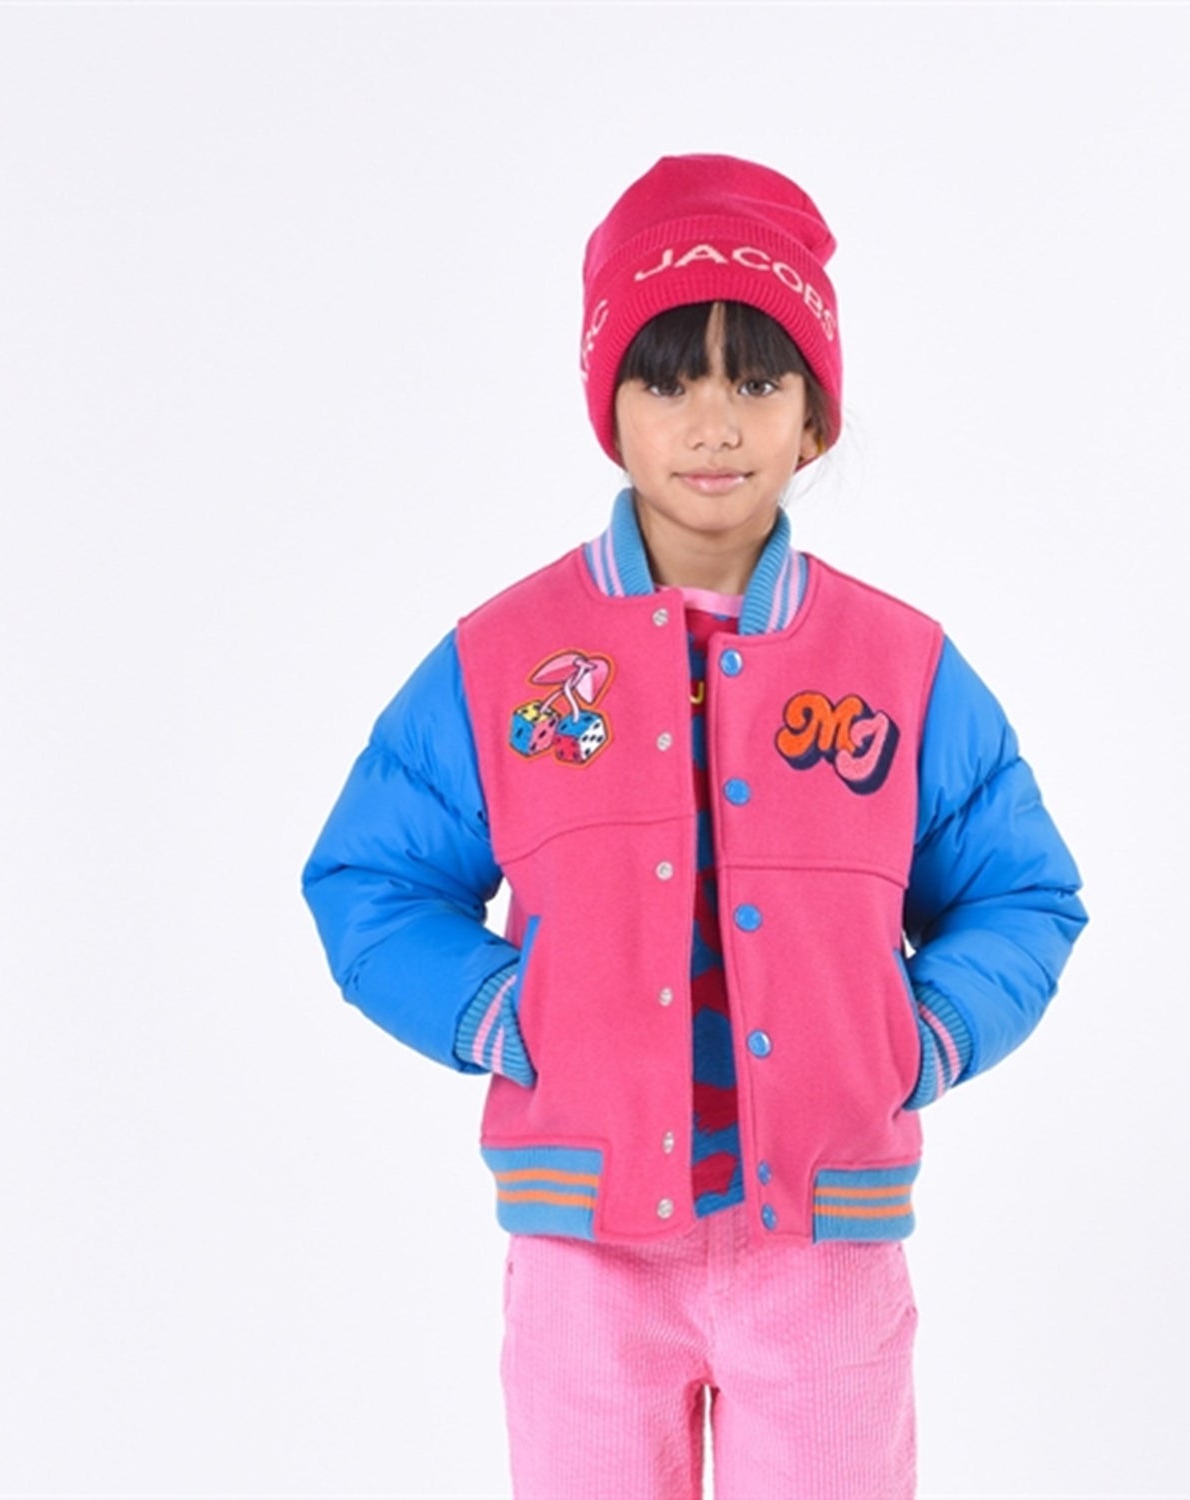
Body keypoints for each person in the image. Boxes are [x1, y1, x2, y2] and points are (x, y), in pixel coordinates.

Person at [302, 152, 1088, 1500]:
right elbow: (369, 878)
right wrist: (506, 1014)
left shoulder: (899, 667)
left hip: (825, 1252)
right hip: (587, 1251)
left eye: (756, 382)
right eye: (669, 382)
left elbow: (1023, 893)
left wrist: (923, 1035)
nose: (713, 424)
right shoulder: (509, 658)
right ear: (610, 408)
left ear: (814, 417)